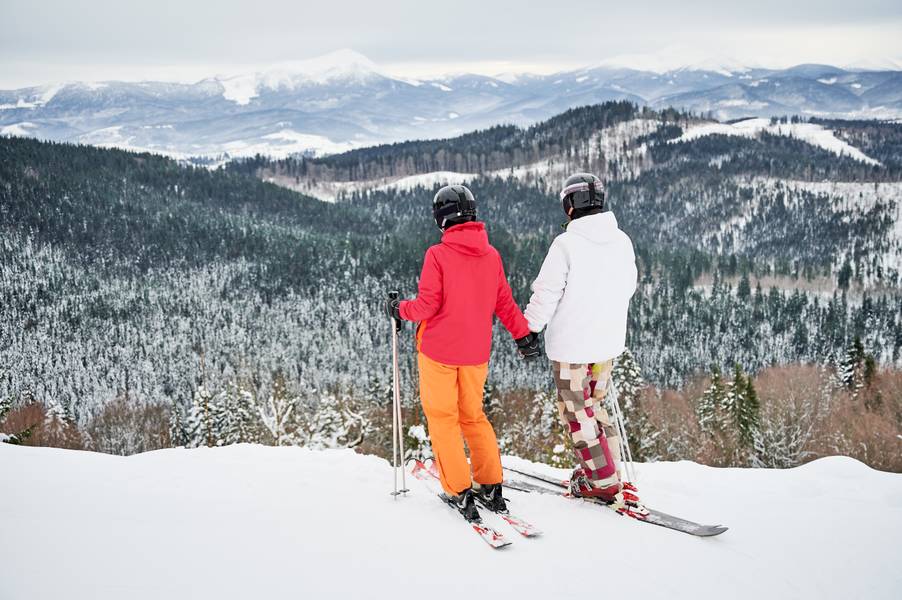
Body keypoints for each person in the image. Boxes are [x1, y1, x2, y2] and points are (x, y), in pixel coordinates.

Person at [386, 184, 541, 521]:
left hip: (438, 352)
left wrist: (400, 309)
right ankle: (490, 483)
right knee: (473, 416)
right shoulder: (491, 255)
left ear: (442, 218)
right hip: (475, 355)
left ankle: (459, 489)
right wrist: (522, 335)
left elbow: (427, 306)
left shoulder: (437, 255)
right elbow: (504, 303)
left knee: (443, 419)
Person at [523, 172, 644, 515]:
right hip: (606, 344)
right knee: (596, 405)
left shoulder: (566, 246)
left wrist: (530, 328)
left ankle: (602, 482)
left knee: (577, 412)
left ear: (570, 206)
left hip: (572, 347)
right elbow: (628, 286)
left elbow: (547, 293)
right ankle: (609, 471)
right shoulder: (622, 241)